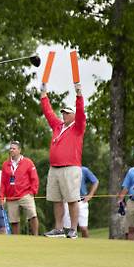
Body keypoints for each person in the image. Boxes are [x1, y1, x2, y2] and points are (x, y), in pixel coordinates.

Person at [41, 81, 86, 239]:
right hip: (55, 168)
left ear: (73, 115)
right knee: (56, 199)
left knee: (72, 199)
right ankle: (59, 229)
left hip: (71, 167)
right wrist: (43, 95)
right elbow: (48, 113)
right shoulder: (58, 126)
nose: (64, 114)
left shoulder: (78, 126)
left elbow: (81, 112)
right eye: (63, 112)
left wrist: (79, 95)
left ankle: (73, 229)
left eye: (67, 112)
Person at [0, 141, 39, 235]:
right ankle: (16, 239)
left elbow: (34, 178)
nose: (11, 150)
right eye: (10, 148)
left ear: (19, 150)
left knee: (32, 215)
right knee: (14, 220)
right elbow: (3, 182)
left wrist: (33, 191)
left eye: (14, 148)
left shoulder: (28, 162)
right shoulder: (6, 164)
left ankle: (36, 236)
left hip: (25, 194)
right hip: (11, 196)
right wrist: (1, 196)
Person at [62, 165, 98, 238]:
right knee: (68, 229)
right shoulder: (64, 170)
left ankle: (86, 246)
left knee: (83, 228)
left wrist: (90, 195)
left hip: (82, 202)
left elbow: (95, 181)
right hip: (68, 201)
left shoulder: (84, 170)